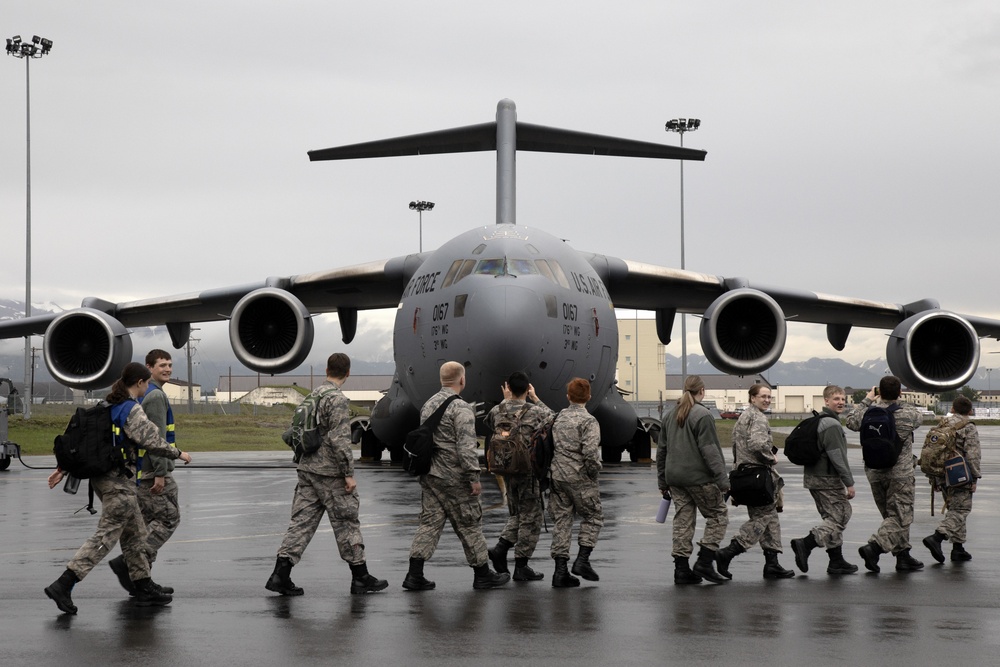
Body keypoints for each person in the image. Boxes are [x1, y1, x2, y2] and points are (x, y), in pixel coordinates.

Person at [44, 362, 192, 614]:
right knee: (107, 535)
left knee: (135, 534)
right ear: (139, 383)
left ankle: (144, 585)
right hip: (117, 483)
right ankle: (65, 583)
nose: (146, 388)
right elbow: (151, 440)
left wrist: (63, 468)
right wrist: (178, 453)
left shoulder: (107, 407)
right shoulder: (130, 408)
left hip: (105, 480)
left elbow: (89, 442)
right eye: (146, 384)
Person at [266, 353, 388, 596]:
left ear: (326, 369)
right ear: (348, 372)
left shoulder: (312, 395)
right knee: (346, 521)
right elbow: (339, 440)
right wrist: (348, 473)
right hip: (330, 472)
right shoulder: (337, 399)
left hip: (307, 469)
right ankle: (360, 576)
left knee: (301, 523)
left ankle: (280, 573)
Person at [402, 361, 509, 591]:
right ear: (462, 380)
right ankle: (482, 573)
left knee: (429, 523)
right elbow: (466, 446)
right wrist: (473, 476)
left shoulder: (428, 405)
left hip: (430, 474)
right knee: (470, 523)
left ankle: (414, 574)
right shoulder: (461, 408)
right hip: (454, 477)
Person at [107, 349, 181, 597]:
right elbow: (155, 438)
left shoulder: (143, 393)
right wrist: (160, 473)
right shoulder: (156, 396)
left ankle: (142, 579)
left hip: (138, 471)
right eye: (162, 365)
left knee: (144, 523)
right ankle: (131, 563)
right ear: (149, 369)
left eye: (170, 364)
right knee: (170, 518)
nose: (168, 369)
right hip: (152, 471)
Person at [845, 375, 924, 573]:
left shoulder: (868, 412)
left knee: (891, 516)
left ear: (879, 391)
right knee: (899, 517)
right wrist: (898, 399)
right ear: (899, 392)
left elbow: (851, 422)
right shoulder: (908, 412)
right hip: (900, 473)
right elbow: (919, 419)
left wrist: (868, 399)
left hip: (875, 472)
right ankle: (874, 548)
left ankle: (903, 555)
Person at [715, 383, 795, 579]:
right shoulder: (758, 417)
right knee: (763, 517)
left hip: (744, 474)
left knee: (770, 518)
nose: (767, 400)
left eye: (769, 397)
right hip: (757, 476)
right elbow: (758, 443)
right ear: (752, 398)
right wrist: (771, 457)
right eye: (763, 396)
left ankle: (772, 563)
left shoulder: (744, 417)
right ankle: (729, 551)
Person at [657, 375, 730, 585]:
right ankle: (705, 561)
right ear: (702, 391)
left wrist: (662, 481)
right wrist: (723, 481)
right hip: (699, 478)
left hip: (675, 479)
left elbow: (661, 451)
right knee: (718, 516)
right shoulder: (703, 415)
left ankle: (681, 569)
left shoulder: (670, 415)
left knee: (683, 520)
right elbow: (711, 452)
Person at [485, 371, 554, 581]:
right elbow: (555, 419)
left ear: (508, 388)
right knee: (531, 518)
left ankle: (500, 549)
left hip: (506, 468)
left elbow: (490, 424)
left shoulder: (497, 410)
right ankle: (521, 564)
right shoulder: (535, 411)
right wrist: (536, 399)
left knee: (516, 514)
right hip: (528, 470)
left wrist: (506, 403)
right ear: (527, 388)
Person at [789, 385, 859, 575]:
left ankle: (836, 561)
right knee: (841, 515)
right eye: (836, 399)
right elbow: (837, 456)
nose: (841, 402)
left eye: (843, 399)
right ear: (826, 401)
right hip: (827, 479)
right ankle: (806, 543)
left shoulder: (819, 421)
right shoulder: (832, 425)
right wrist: (849, 482)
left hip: (813, 477)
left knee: (831, 517)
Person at [549, 378, 604, 588]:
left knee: (562, 521)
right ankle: (582, 560)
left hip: (558, 476)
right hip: (580, 477)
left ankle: (560, 571)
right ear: (588, 397)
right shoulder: (589, 421)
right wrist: (593, 472)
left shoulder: (559, 417)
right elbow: (590, 452)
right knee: (593, 516)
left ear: (568, 397)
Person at [922, 395, 981, 563]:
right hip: (959, 474)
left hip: (941, 474)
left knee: (954, 509)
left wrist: (933, 478)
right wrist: (974, 478)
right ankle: (937, 537)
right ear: (970, 411)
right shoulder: (968, 427)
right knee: (960, 510)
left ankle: (958, 548)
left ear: (952, 409)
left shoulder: (942, 424)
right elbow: (973, 455)